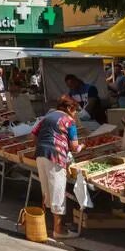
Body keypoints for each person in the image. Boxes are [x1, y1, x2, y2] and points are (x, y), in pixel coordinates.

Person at [31, 96, 83, 239]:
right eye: (75, 110)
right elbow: (74, 146)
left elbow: (34, 136)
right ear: (68, 108)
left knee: (46, 190)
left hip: (41, 154)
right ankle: (58, 230)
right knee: (57, 192)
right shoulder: (69, 121)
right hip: (55, 156)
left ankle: (43, 225)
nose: (75, 113)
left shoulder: (47, 117)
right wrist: (81, 147)